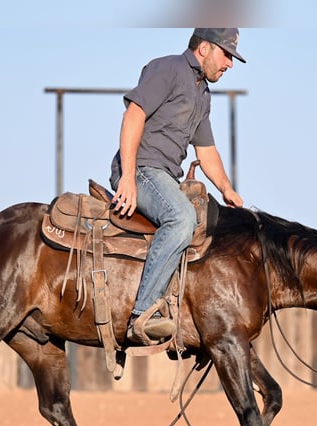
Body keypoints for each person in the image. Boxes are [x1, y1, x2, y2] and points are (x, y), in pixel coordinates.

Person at [109, 28, 246, 345]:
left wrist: (227, 190)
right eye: (226, 55)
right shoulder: (168, 68)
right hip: (142, 169)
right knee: (182, 218)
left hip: (165, 178)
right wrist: (128, 176)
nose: (230, 64)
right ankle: (143, 314)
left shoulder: (202, 94)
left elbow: (206, 152)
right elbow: (134, 115)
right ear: (205, 49)